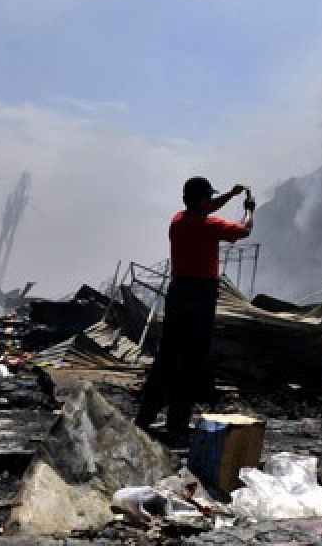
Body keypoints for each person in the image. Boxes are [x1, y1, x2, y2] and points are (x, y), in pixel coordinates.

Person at [135, 176, 254, 445]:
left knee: (167, 358)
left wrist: (230, 196)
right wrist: (249, 209)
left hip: (178, 293)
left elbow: (205, 210)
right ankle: (176, 425)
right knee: (191, 362)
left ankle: (144, 418)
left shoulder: (178, 221)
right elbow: (244, 230)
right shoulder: (210, 226)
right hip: (200, 296)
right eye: (208, 198)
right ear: (201, 199)